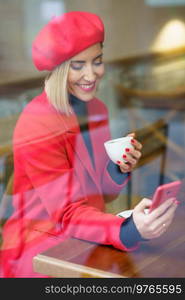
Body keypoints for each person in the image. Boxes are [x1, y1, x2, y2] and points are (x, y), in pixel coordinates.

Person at [1, 11, 178, 278]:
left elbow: (102, 195)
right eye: (77, 65)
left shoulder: (97, 108)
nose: (92, 74)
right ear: (60, 68)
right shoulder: (37, 123)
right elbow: (66, 215)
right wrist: (129, 229)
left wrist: (119, 167)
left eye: (97, 61)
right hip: (40, 246)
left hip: (85, 231)